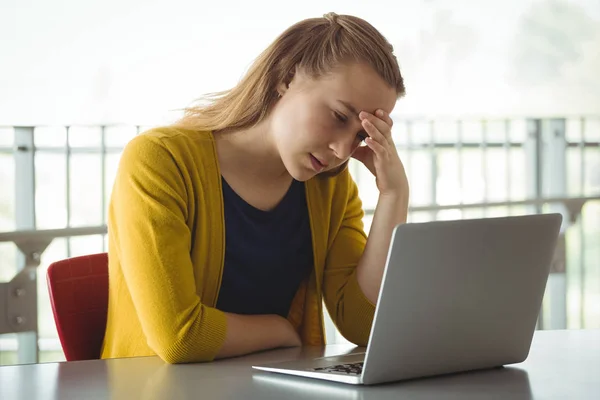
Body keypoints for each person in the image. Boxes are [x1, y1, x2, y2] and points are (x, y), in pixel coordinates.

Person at [100, 12, 409, 364]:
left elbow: (364, 325)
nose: (342, 150)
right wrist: (278, 330)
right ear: (286, 76)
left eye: (360, 135)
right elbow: (180, 338)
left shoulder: (331, 189)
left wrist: (393, 196)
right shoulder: (159, 161)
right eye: (339, 116)